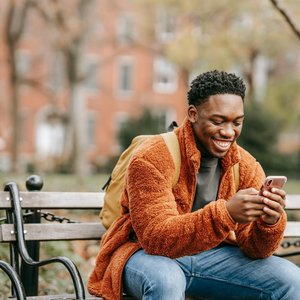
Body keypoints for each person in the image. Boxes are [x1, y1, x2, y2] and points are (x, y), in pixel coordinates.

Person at [88, 70, 300, 300]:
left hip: (212, 259)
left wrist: (269, 222)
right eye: (218, 121)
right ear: (192, 114)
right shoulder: (152, 156)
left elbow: (256, 250)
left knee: (290, 279)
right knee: (166, 280)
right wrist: (226, 213)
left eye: (237, 122)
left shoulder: (245, 165)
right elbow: (155, 239)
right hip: (144, 255)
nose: (229, 132)